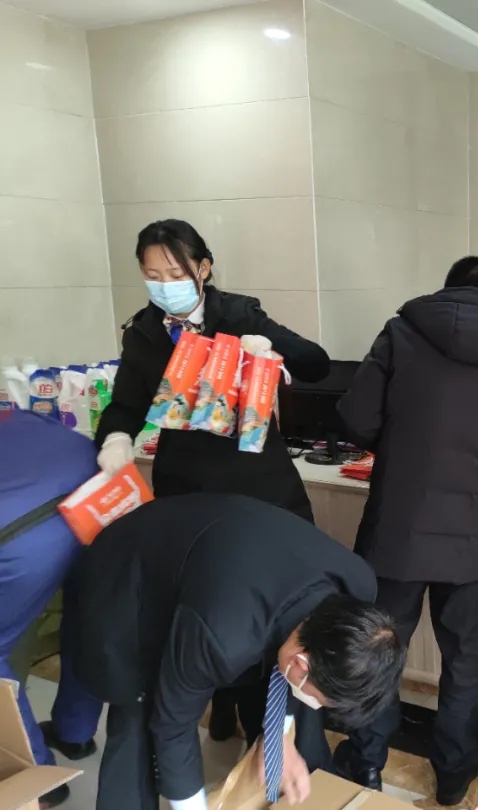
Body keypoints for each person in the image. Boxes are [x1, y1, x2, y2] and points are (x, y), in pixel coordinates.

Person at [93, 219, 332, 742]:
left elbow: (316, 362)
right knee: (204, 603)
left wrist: (269, 348)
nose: (163, 284)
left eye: (175, 273)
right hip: (190, 492)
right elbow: (126, 404)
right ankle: (222, 705)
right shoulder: (144, 333)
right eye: (152, 274)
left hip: (259, 487)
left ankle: (267, 733)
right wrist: (115, 438)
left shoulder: (238, 313)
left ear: (203, 268)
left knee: (269, 609)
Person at [331, 257, 478, 805]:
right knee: (465, 659)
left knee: (378, 650)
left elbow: (356, 416)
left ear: (446, 292)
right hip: (471, 535)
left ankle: (367, 764)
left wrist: (402, 438)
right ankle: (453, 778)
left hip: (397, 527)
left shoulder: (402, 331)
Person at [68, 493, 406, 810]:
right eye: (318, 699)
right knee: (138, 716)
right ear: (301, 664)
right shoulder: (222, 635)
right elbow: (174, 724)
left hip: (224, 563)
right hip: (129, 581)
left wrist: (278, 738)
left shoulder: (357, 591)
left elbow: (289, 671)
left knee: (291, 723)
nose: (314, 704)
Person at [0, 410, 108, 808]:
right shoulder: (16, 416)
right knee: (86, 613)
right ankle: (75, 733)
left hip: (21, 532)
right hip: (99, 493)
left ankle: (38, 781)